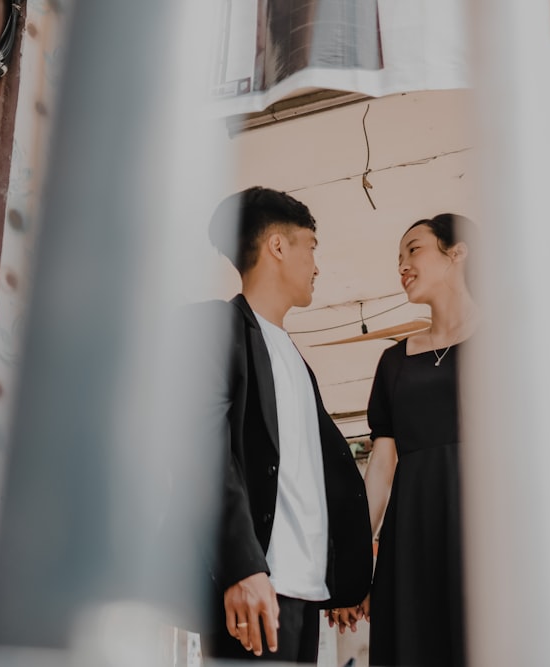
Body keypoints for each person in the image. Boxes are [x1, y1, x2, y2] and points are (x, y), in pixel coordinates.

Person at [192, 186, 373, 663]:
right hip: (254, 590)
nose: (317, 266)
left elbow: (311, 479)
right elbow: (203, 454)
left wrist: (343, 578)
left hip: (303, 594)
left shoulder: (294, 359)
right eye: (311, 247)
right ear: (277, 246)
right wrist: (240, 568)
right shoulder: (217, 329)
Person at [338, 213, 478, 666]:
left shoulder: (508, 340)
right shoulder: (393, 362)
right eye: (398, 258)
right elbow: (382, 466)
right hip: (411, 532)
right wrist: (355, 568)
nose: (402, 266)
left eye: (413, 250)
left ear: (456, 253)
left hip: (485, 524)